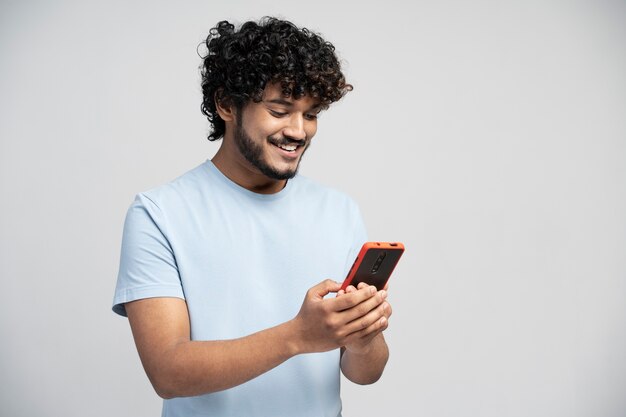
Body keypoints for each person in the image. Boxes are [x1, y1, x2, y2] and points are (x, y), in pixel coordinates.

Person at [112, 16, 392, 417]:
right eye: (280, 111)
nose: (299, 130)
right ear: (226, 104)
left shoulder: (339, 210)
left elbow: (366, 373)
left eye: (311, 114)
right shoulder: (159, 214)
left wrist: (364, 339)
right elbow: (167, 372)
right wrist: (298, 336)